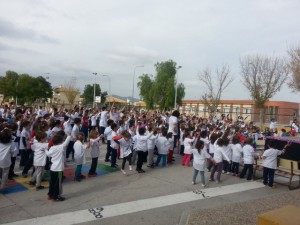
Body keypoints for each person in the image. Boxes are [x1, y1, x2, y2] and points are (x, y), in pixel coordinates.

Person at [46, 132, 71, 201]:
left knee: (52, 182)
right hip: (59, 169)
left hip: (52, 169)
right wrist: (69, 136)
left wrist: (45, 150)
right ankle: (56, 196)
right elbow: (66, 143)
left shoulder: (52, 148)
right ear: (60, 142)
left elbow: (48, 154)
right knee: (59, 183)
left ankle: (50, 194)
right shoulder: (60, 147)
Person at [0, 126, 13, 192]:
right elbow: (14, 151)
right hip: (6, 161)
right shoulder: (11, 144)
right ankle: (3, 186)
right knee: (5, 174)